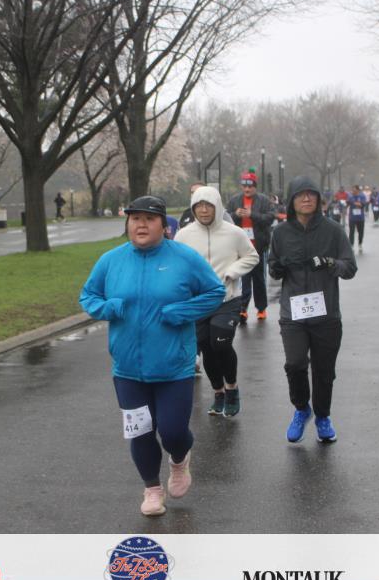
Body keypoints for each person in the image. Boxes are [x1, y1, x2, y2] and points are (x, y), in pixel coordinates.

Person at [80, 195, 224, 516]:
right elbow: (88, 296)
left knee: (173, 432)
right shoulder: (111, 260)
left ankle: (179, 459)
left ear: (164, 225)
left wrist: (181, 311)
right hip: (128, 369)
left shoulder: (184, 258)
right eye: (135, 219)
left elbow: (215, 291)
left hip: (174, 367)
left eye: (149, 219)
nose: (141, 225)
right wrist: (108, 307)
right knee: (141, 431)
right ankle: (152, 489)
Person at [269, 177, 357, 444]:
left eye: (311, 194)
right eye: (300, 195)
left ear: (319, 199)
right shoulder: (281, 233)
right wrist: (277, 267)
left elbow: (349, 267)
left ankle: (322, 417)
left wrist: (330, 263)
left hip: (326, 313)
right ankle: (301, 409)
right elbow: (272, 267)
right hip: (293, 313)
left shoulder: (333, 230)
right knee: (295, 364)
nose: (306, 199)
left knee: (324, 371)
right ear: (291, 200)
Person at [175, 186, 259, 417]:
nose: (203, 210)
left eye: (208, 205)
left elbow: (252, 256)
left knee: (220, 343)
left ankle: (232, 388)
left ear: (217, 207)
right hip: (199, 301)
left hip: (227, 298)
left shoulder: (234, 233)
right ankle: (218, 392)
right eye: (199, 206)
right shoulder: (184, 235)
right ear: (193, 208)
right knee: (206, 347)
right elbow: (177, 263)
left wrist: (232, 271)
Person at [227, 170, 275, 322]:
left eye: (250, 186)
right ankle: (242, 309)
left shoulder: (264, 200)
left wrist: (252, 215)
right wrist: (235, 215)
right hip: (241, 248)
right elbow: (225, 218)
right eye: (244, 186)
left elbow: (270, 217)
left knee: (259, 279)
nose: (247, 189)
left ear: (255, 187)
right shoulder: (235, 200)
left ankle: (261, 308)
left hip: (259, 246)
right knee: (244, 280)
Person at [347, 186, 368, 253]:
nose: (353, 191)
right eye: (352, 190)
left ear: (358, 190)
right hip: (352, 217)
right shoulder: (350, 196)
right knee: (351, 232)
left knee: (360, 232)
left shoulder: (362, 196)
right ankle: (351, 245)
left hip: (360, 218)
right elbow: (347, 203)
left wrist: (355, 203)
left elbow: (363, 204)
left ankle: (360, 244)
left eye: (354, 190)